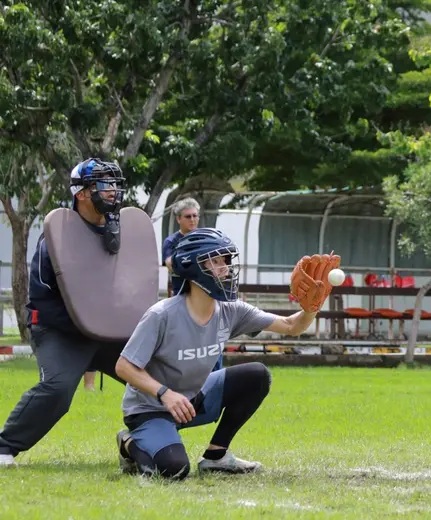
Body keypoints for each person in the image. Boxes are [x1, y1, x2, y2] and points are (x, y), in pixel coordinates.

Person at [115, 228, 340, 479]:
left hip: (192, 400)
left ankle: (216, 456)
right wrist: (165, 394)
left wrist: (311, 307)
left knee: (256, 375)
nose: (225, 268)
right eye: (215, 261)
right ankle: (128, 442)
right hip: (150, 408)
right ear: (192, 266)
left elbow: (291, 326)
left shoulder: (231, 310)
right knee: (174, 469)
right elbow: (124, 366)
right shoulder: (161, 315)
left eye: (226, 260)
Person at [0, 159, 129, 467]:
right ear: (81, 193)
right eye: (103, 184)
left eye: (114, 184)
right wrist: (84, 324)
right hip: (60, 330)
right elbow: (42, 296)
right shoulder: (56, 236)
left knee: (158, 377)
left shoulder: (124, 232)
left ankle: (144, 442)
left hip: (110, 331)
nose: (112, 191)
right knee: (57, 389)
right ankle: (4, 446)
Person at [162, 198, 201, 297]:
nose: (192, 219)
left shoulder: (205, 238)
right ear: (178, 219)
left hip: (203, 294)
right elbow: (170, 265)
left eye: (195, 215)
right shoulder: (171, 241)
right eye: (188, 216)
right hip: (181, 294)